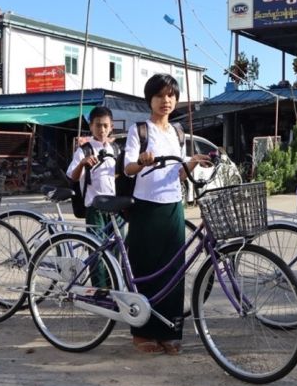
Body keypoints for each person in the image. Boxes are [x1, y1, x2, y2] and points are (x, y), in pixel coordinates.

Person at [122, 73, 209, 355]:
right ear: (150, 99)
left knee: (174, 272)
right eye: (160, 96)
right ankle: (142, 332)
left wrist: (192, 164)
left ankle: (170, 331)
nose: (166, 101)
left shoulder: (178, 132)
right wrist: (141, 160)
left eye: (171, 95)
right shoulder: (140, 130)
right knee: (145, 270)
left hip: (173, 206)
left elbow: (179, 174)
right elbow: (127, 169)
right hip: (145, 207)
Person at [66, 105, 119, 234]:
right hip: (95, 208)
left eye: (106, 126)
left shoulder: (116, 149)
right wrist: (82, 164)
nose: (102, 130)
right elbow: (73, 177)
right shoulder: (84, 150)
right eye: (98, 125)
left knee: (117, 249)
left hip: (115, 206)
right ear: (91, 126)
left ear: (111, 127)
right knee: (97, 248)